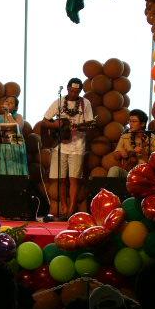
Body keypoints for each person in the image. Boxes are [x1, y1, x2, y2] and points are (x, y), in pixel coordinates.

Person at [42, 78, 93, 218]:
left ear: (80, 91)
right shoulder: (59, 102)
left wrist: (80, 127)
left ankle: (71, 210)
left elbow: (89, 124)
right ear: (67, 88)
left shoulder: (85, 103)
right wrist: (55, 125)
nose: (74, 94)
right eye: (72, 91)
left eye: (77, 92)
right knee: (61, 179)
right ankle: (64, 206)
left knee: (74, 179)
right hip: (60, 145)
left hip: (77, 146)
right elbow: (45, 121)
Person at [0, 96, 28, 177]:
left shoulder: (18, 116)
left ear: (16, 108)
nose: (8, 103)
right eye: (6, 101)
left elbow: (18, 128)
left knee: (14, 173)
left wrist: (8, 114)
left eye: (11, 103)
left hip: (15, 147)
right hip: (0, 147)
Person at [107, 109, 151, 178]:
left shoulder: (151, 139)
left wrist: (143, 152)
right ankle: (107, 186)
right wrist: (121, 153)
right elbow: (116, 156)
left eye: (134, 121)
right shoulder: (125, 137)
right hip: (128, 173)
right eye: (130, 121)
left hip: (144, 175)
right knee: (114, 169)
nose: (131, 124)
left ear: (143, 124)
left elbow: (154, 161)